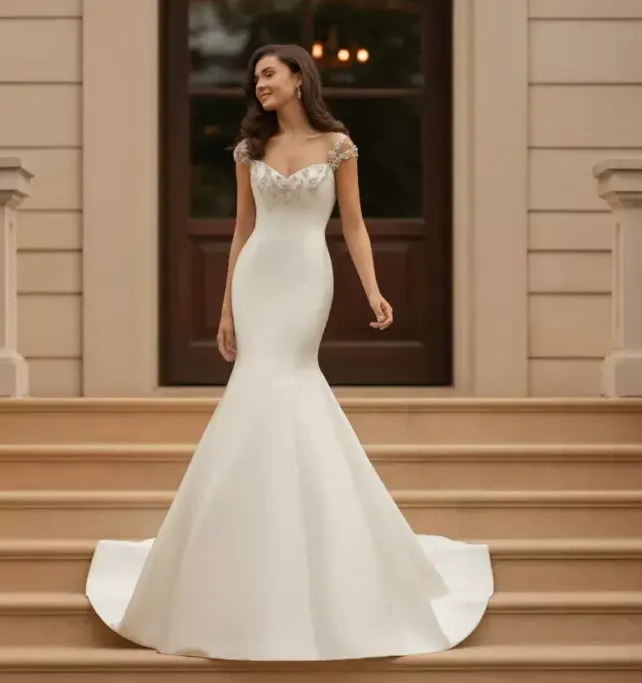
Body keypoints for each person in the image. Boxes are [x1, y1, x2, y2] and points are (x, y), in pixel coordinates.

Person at [85, 43, 494, 662]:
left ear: (300, 78)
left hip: (306, 276)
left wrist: (374, 289)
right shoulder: (250, 149)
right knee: (256, 386)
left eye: (269, 74)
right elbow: (242, 229)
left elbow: (352, 223)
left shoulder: (339, 146)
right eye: (255, 78)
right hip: (257, 277)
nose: (259, 85)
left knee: (292, 380)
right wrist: (225, 305)